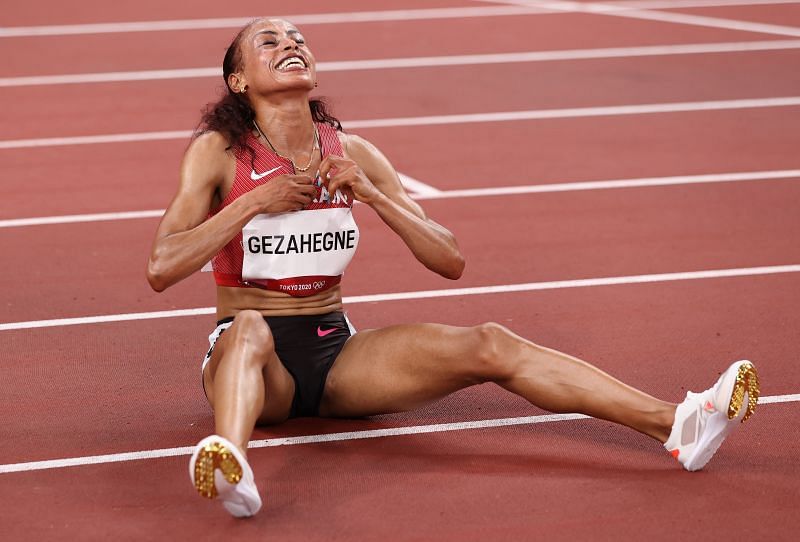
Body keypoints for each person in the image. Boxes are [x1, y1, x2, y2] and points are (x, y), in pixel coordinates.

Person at [146, 18, 760, 518]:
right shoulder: (218, 155)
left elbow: (450, 259)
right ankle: (233, 463)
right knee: (250, 326)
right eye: (270, 42)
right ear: (237, 80)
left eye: (299, 38)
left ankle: (680, 425)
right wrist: (257, 201)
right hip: (251, 357)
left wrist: (376, 196)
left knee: (492, 342)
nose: (292, 46)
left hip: (335, 353)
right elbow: (161, 265)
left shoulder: (352, 151)